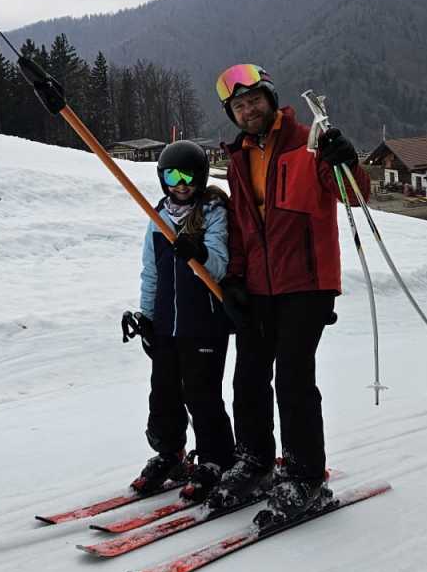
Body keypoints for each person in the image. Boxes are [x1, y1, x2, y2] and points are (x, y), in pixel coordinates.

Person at [208, 63, 371, 521]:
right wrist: (234, 280)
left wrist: (346, 160)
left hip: (307, 283)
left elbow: (355, 195)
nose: (248, 110)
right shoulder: (238, 160)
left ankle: (304, 475)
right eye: (239, 106)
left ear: (271, 99)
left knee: (293, 380)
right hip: (258, 287)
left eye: (254, 100)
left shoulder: (308, 143)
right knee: (248, 378)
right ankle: (255, 461)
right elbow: (240, 227)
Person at [122, 140, 236, 496]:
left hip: (204, 324)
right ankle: (170, 453)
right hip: (167, 325)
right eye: (173, 176)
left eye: (188, 176)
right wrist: (147, 317)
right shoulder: (158, 217)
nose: (181, 184)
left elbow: (219, 265)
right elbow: (151, 272)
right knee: (163, 393)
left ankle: (217, 459)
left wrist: (197, 251)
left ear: (201, 177)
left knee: (202, 395)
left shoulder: (213, 212)